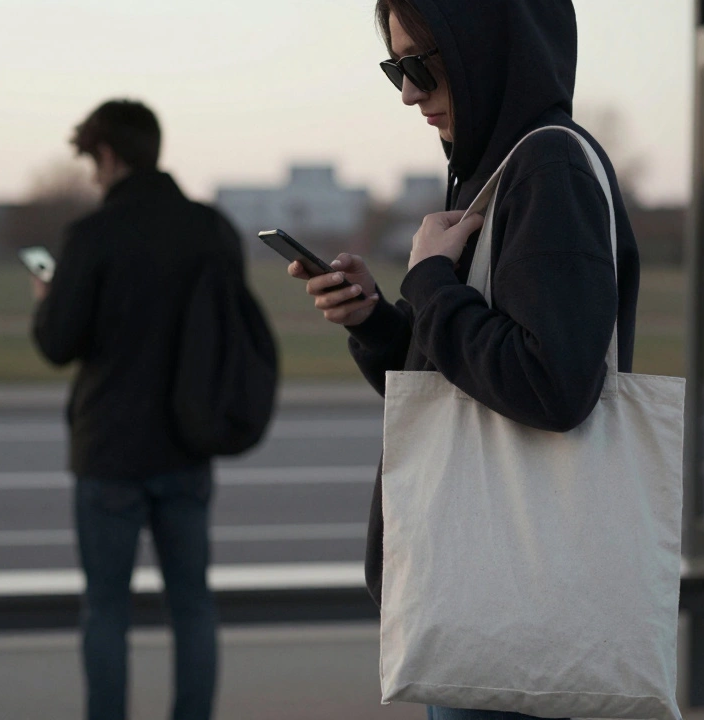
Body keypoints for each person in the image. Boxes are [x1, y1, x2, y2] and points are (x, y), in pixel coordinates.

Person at [287, 2, 641, 718]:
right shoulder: (499, 169)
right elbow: (467, 377)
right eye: (397, 69)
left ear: (487, 46)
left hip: (514, 602)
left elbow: (552, 387)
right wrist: (383, 321)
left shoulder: (547, 170)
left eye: (422, 63)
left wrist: (431, 285)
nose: (410, 92)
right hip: (490, 594)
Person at [31, 99, 243, 720]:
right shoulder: (209, 228)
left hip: (109, 451)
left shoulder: (91, 235)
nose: (94, 178)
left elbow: (56, 343)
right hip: (188, 440)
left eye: (93, 163)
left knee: (105, 609)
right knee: (193, 604)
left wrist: (48, 298)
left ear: (108, 155)